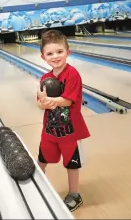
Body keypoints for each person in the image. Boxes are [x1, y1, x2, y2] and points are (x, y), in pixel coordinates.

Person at [36, 30, 90, 212]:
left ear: (68, 52)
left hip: (70, 132)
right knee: (42, 159)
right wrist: (43, 103)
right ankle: (35, 185)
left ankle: (75, 194)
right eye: (50, 53)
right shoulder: (44, 78)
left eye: (59, 51)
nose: (55, 56)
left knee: (71, 163)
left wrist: (50, 101)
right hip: (50, 131)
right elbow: (40, 104)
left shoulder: (72, 74)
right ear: (43, 57)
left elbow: (68, 100)